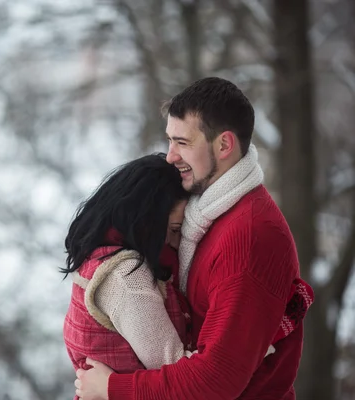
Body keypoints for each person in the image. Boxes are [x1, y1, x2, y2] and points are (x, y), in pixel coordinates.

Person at [74, 77, 314, 400]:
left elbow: (214, 383)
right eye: (169, 141)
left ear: (224, 145)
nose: (170, 156)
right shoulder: (202, 215)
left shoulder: (249, 237)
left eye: (182, 143)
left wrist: (111, 388)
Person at [62, 153, 194, 385]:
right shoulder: (126, 277)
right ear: (147, 219)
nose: (176, 243)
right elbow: (178, 374)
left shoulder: (97, 257)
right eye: (174, 229)